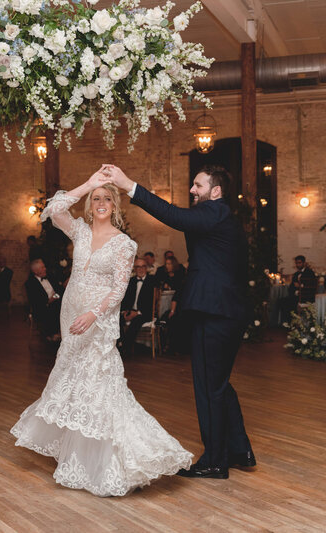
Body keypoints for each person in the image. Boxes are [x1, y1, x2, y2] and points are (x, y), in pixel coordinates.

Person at [11, 169, 192, 497]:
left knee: (99, 386)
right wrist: (89, 184)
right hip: (71, 321)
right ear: (90, 205)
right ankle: (78, 457)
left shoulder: (125, 244)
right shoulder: (79, 232)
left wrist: (93, 315)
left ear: (116, 205)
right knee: (76, 384)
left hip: (97, 321)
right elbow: (51, 210)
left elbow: (119, 288)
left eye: (107, 198)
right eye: (97, 199)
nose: (101, 202)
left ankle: (109, 463)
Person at [103, 164, 255, 480]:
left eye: (198, 185)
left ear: (216, 192)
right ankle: (239, 450)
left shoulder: (215, 212)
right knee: (220, 385)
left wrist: (129, 184)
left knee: (208, 387)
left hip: (214, 312)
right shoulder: (222, 217)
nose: (192, 190)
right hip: (226, 311)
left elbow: (174, 216)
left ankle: (215, 461)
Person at [119, 257, 156, 354]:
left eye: (143, 266)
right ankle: (121, 343)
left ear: (146, 268)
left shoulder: (152, 281)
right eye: (137, 267)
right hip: (130, 311)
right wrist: (124, 312)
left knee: (136, 321)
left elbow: (152, 303)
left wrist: (137, 313)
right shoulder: (130, 281)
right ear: (134, 269)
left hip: (144, 313)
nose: (140, 269)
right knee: (117, 319)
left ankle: (125, 348)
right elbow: (124, 299)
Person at [25, 259, 63, 342]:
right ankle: (53, 334)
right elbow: (39, 302)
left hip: (56, 302)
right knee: (54, 309)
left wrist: (55, 297)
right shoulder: (30, 284)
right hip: (42, 308)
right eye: (42, 267)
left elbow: (60, 290)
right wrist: (52, 299)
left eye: (44, 267)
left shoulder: (50, 277)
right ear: (35, 271)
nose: (45, 269)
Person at [280, 255, 317, 323]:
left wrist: (300, 286)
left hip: (306, 297)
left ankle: (295, 323)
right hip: (296, 296)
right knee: (282, 301)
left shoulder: (310, 273)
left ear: (304, 263)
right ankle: (289, 324)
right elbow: (291, 288)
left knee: (289, 302)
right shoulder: (296, 274)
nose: (298, 265)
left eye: (299, 263)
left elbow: (311, 286)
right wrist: (295, 292)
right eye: (296, 263)